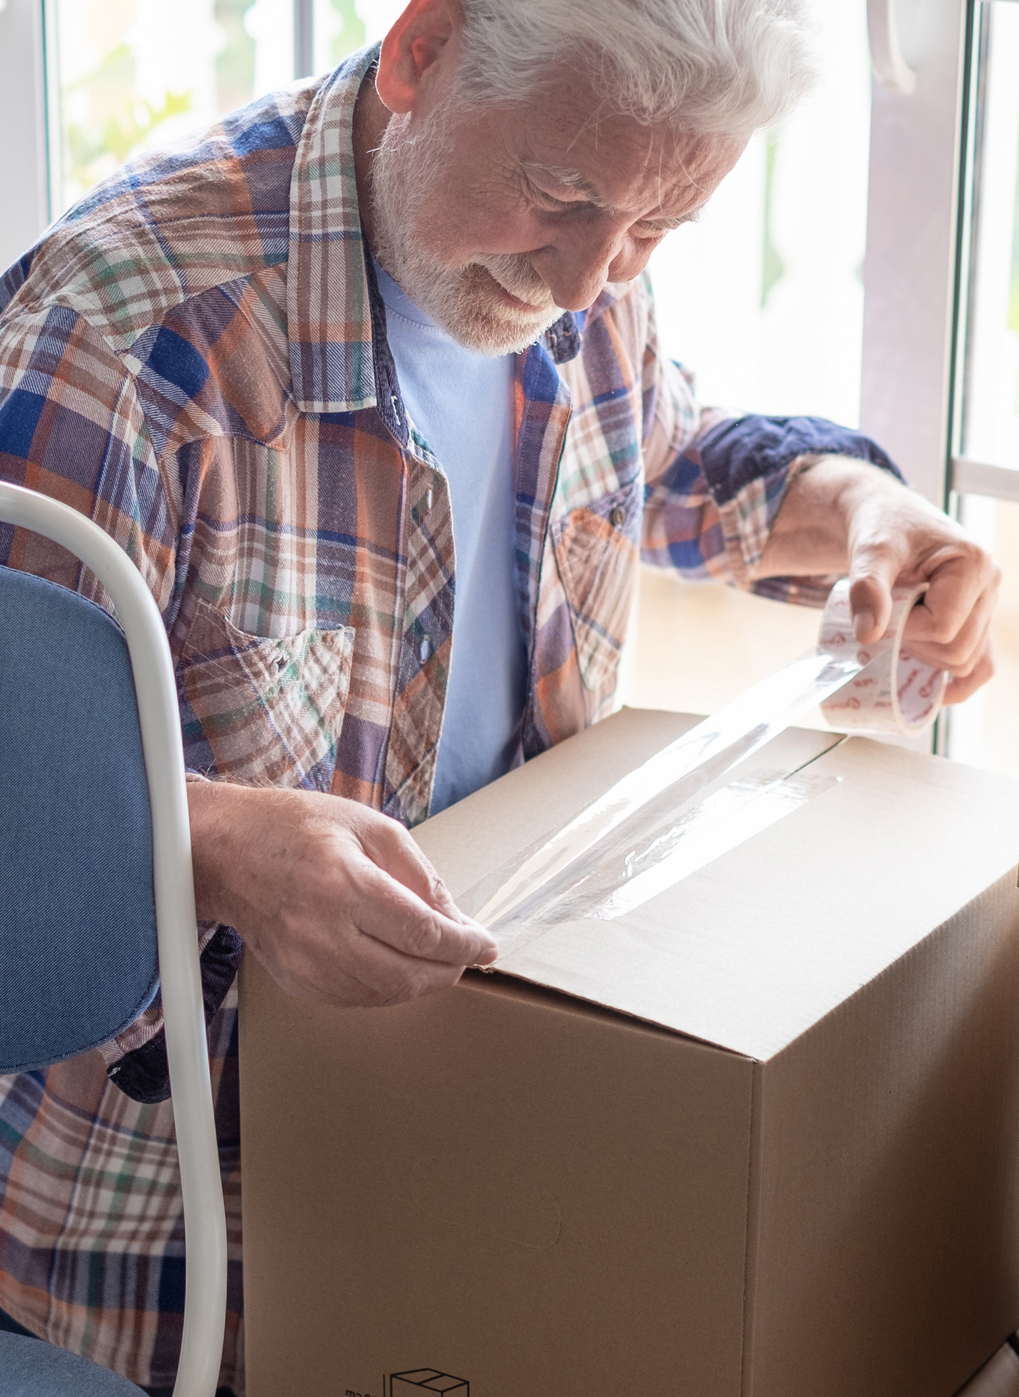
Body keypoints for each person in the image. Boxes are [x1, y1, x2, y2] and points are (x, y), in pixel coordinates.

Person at [0, 0, 1000, 1390]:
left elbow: (664, 455)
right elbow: (13, 827)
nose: (594, 282)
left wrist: (867, 509)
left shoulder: (579, 258)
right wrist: (217, 843)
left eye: (657, 231)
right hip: (169, 1242)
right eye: (565, 195)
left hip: (464, 1142)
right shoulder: (126, 343)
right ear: (422, 51)